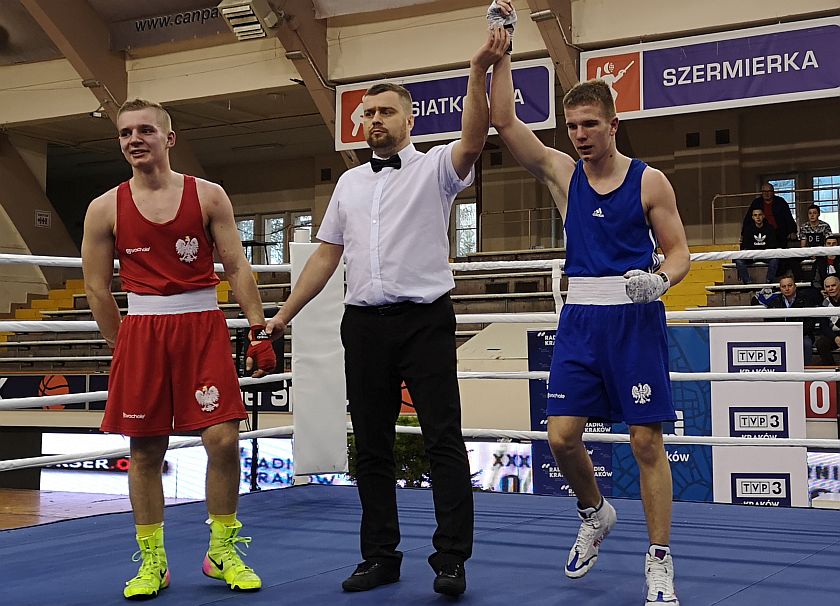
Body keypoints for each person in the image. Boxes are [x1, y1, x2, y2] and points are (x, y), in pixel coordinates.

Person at [264, 31, 509, 597]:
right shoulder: (348, 182)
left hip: (424, 320)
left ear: (410, 118)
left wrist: (477, 71)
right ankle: (379, 556)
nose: (374, 119)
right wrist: (284, 315)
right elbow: (326, 255)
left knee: (441, 439)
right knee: (371, 445)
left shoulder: (437, 169)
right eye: (367, 112)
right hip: (364, 325)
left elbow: (474, 139)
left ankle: (451, 559)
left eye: (385, 111)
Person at [487, 3, 688, 604]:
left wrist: (660, 280)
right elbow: (503, 120)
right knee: (560, 438)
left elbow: (679, 253)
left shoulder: (650, 181)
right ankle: (595, 511)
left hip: (634, 318)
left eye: (589, 125)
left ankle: (659, 561)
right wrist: (503, 49)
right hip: (580, 320)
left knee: (647, 443)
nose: (579, 135)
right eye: (572, 126)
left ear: (613, 124)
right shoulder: (563, 175)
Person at [81, 99, 276, 600]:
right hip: (143, 330)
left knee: (224, 440)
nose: (134, 139)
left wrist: (258, 329)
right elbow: (98, 288)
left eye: (146, 130)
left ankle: (222, 551)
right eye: (125, 133)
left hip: (202, 326)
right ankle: (153, 562)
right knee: (145, 451)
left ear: (170, 138)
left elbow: (236, 267)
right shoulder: (104, 208)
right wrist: (121, 343)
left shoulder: (208, 196)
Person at [765, 273, 820, 364]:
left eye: (789, 285)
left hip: (802, 334)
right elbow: (768, 320)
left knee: (806, 343)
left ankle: (806, 374)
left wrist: (796, 332)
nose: (787, 288)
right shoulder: (774, 301)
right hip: (780, 335)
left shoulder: (806, 300)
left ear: (795, 286)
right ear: (780, 288)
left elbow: (811, 322)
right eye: (783, 286)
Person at [736, 208, 779, 285]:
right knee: (739, 260)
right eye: (755, 215)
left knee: (775, 260)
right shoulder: (748, 229)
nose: (758, 217)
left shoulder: (770, 228)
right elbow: (745, 246)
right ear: (752, 217)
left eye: (760, 215)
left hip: (766, 255)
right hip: (752, 255)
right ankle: (748, 283)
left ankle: (769, 282)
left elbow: (773, 245)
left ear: (763, 216)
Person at [815, 275, 840, 366]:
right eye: (828, 287)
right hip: (833, 335)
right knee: (821, 343)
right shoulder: (824, 303)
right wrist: (835, 338)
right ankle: (832, 373)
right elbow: (824, 326)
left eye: (833, 285)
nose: (831, 289)